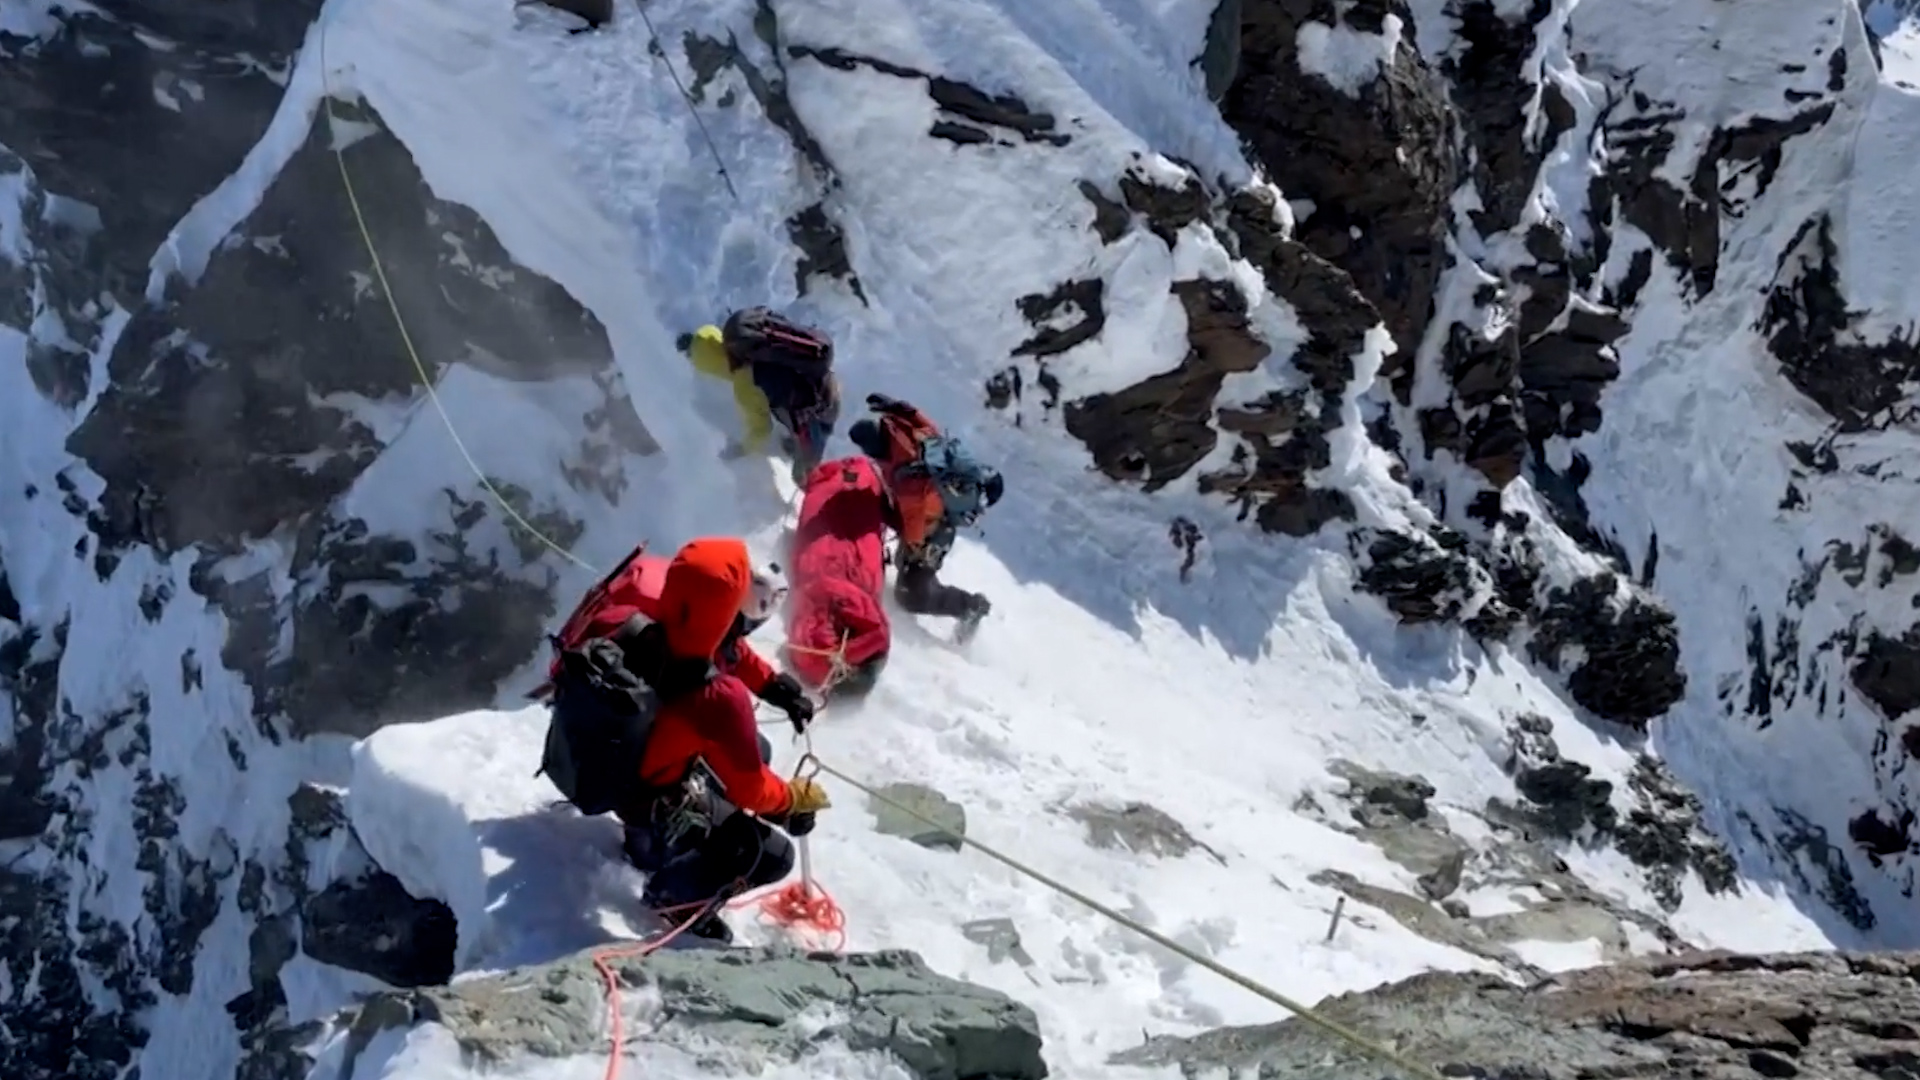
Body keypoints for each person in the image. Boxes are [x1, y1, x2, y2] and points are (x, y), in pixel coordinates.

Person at [537, 538, 831, 943]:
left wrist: (773, 685)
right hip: (653, 797)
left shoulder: (633, 620)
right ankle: (675, 899)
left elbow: (723, 643)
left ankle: (644, 842)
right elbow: (752, 790)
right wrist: (792, 802)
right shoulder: (717, 700)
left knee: (755, 750)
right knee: (770, 854)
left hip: (614, 769)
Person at [532, 546, 816, 733]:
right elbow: (725, 654)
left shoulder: (690, 601)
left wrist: (774, 687)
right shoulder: (682, 633)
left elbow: (732, 650)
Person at [847, 393, 1003, 638]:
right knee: (903, 562)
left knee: (912, 596)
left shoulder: (910, 482)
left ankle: (970, 607)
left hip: (935, 530)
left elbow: (914, 530)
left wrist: (910, 542)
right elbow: (925, 426)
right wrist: (898, 406)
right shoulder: (900, 436)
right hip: (928, 513)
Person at [679, 307, 841, 484]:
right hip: (822, 380)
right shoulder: (743, 339)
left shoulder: (744, 384)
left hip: (815, 412)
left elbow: (761, 430)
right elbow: (707, 339)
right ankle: (795, 445)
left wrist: (742, 450)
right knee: (796, 423)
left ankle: (810, 484)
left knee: (804, 472)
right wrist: (694, 343)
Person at [782, 456, 893, 697]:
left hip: (831, 565)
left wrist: (844, 655)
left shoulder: (822, 648)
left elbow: (878, 634)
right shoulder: (851, 603)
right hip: (833, 567)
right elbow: (878, 633)